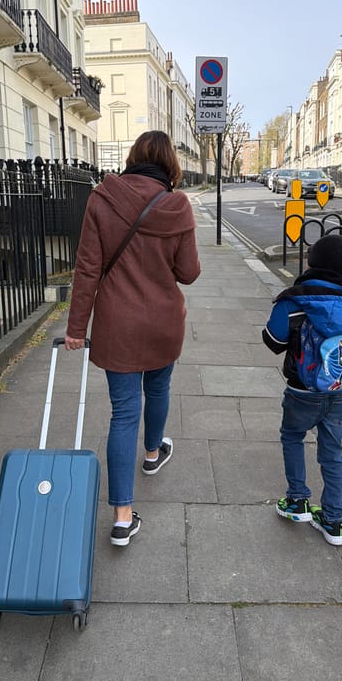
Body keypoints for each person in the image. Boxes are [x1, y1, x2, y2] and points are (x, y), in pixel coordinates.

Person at [65, 131, 200, 547]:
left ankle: (123, 517)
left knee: (124, 413)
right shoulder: (178, 206)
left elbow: (88, 268)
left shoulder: (102, 199)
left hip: (117, 324)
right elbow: (189, 273)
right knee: (158, 388)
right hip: (163, 322)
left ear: (133, 157)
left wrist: (76, 328)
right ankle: (153, 454)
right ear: (170, 164)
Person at [262, 234, 342, 546]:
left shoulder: (294, 301)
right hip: (340, 390)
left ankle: (297, 501)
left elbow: (273, 341)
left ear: (310, 262)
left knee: (292, 437)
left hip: (302, 390)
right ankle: (333, 521)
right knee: (332, 452)